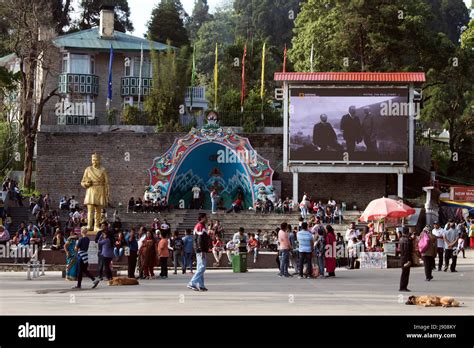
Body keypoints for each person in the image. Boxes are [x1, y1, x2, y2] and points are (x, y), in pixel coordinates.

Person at [188, 213, 209, 291]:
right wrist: (202, 250)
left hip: (199, 249)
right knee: (202, 267)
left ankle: (201, 285)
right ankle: (192, 283)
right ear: (202, 218)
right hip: (201, 250)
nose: (207, 219)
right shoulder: (200, 226)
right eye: (206, 217)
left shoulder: (200, 226)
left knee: (200, 268)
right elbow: (200, 240)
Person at [399, 227, 412, 292]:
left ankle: (402, 286)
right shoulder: (407, 240)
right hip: (406, 258)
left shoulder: (401, 239)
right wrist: (409, 259)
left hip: (402, 257)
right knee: (406, 273)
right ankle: (403, 287)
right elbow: (407, 251)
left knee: (403, 273)